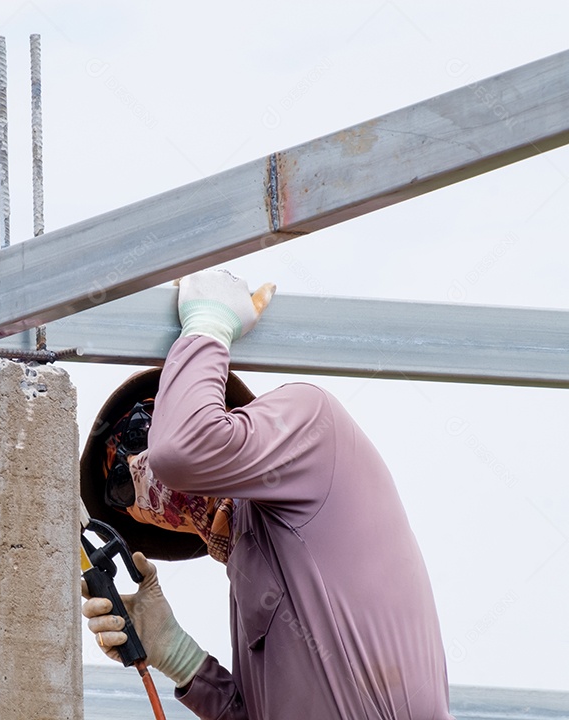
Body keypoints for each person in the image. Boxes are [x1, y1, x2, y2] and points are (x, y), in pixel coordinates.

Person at [80, 269, 452, 719]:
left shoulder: (314, 428)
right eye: (121, 485)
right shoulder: (250, 571)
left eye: (141, 432)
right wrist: (177, 655)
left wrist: (209, 326)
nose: (140, 471)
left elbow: (179, 450)